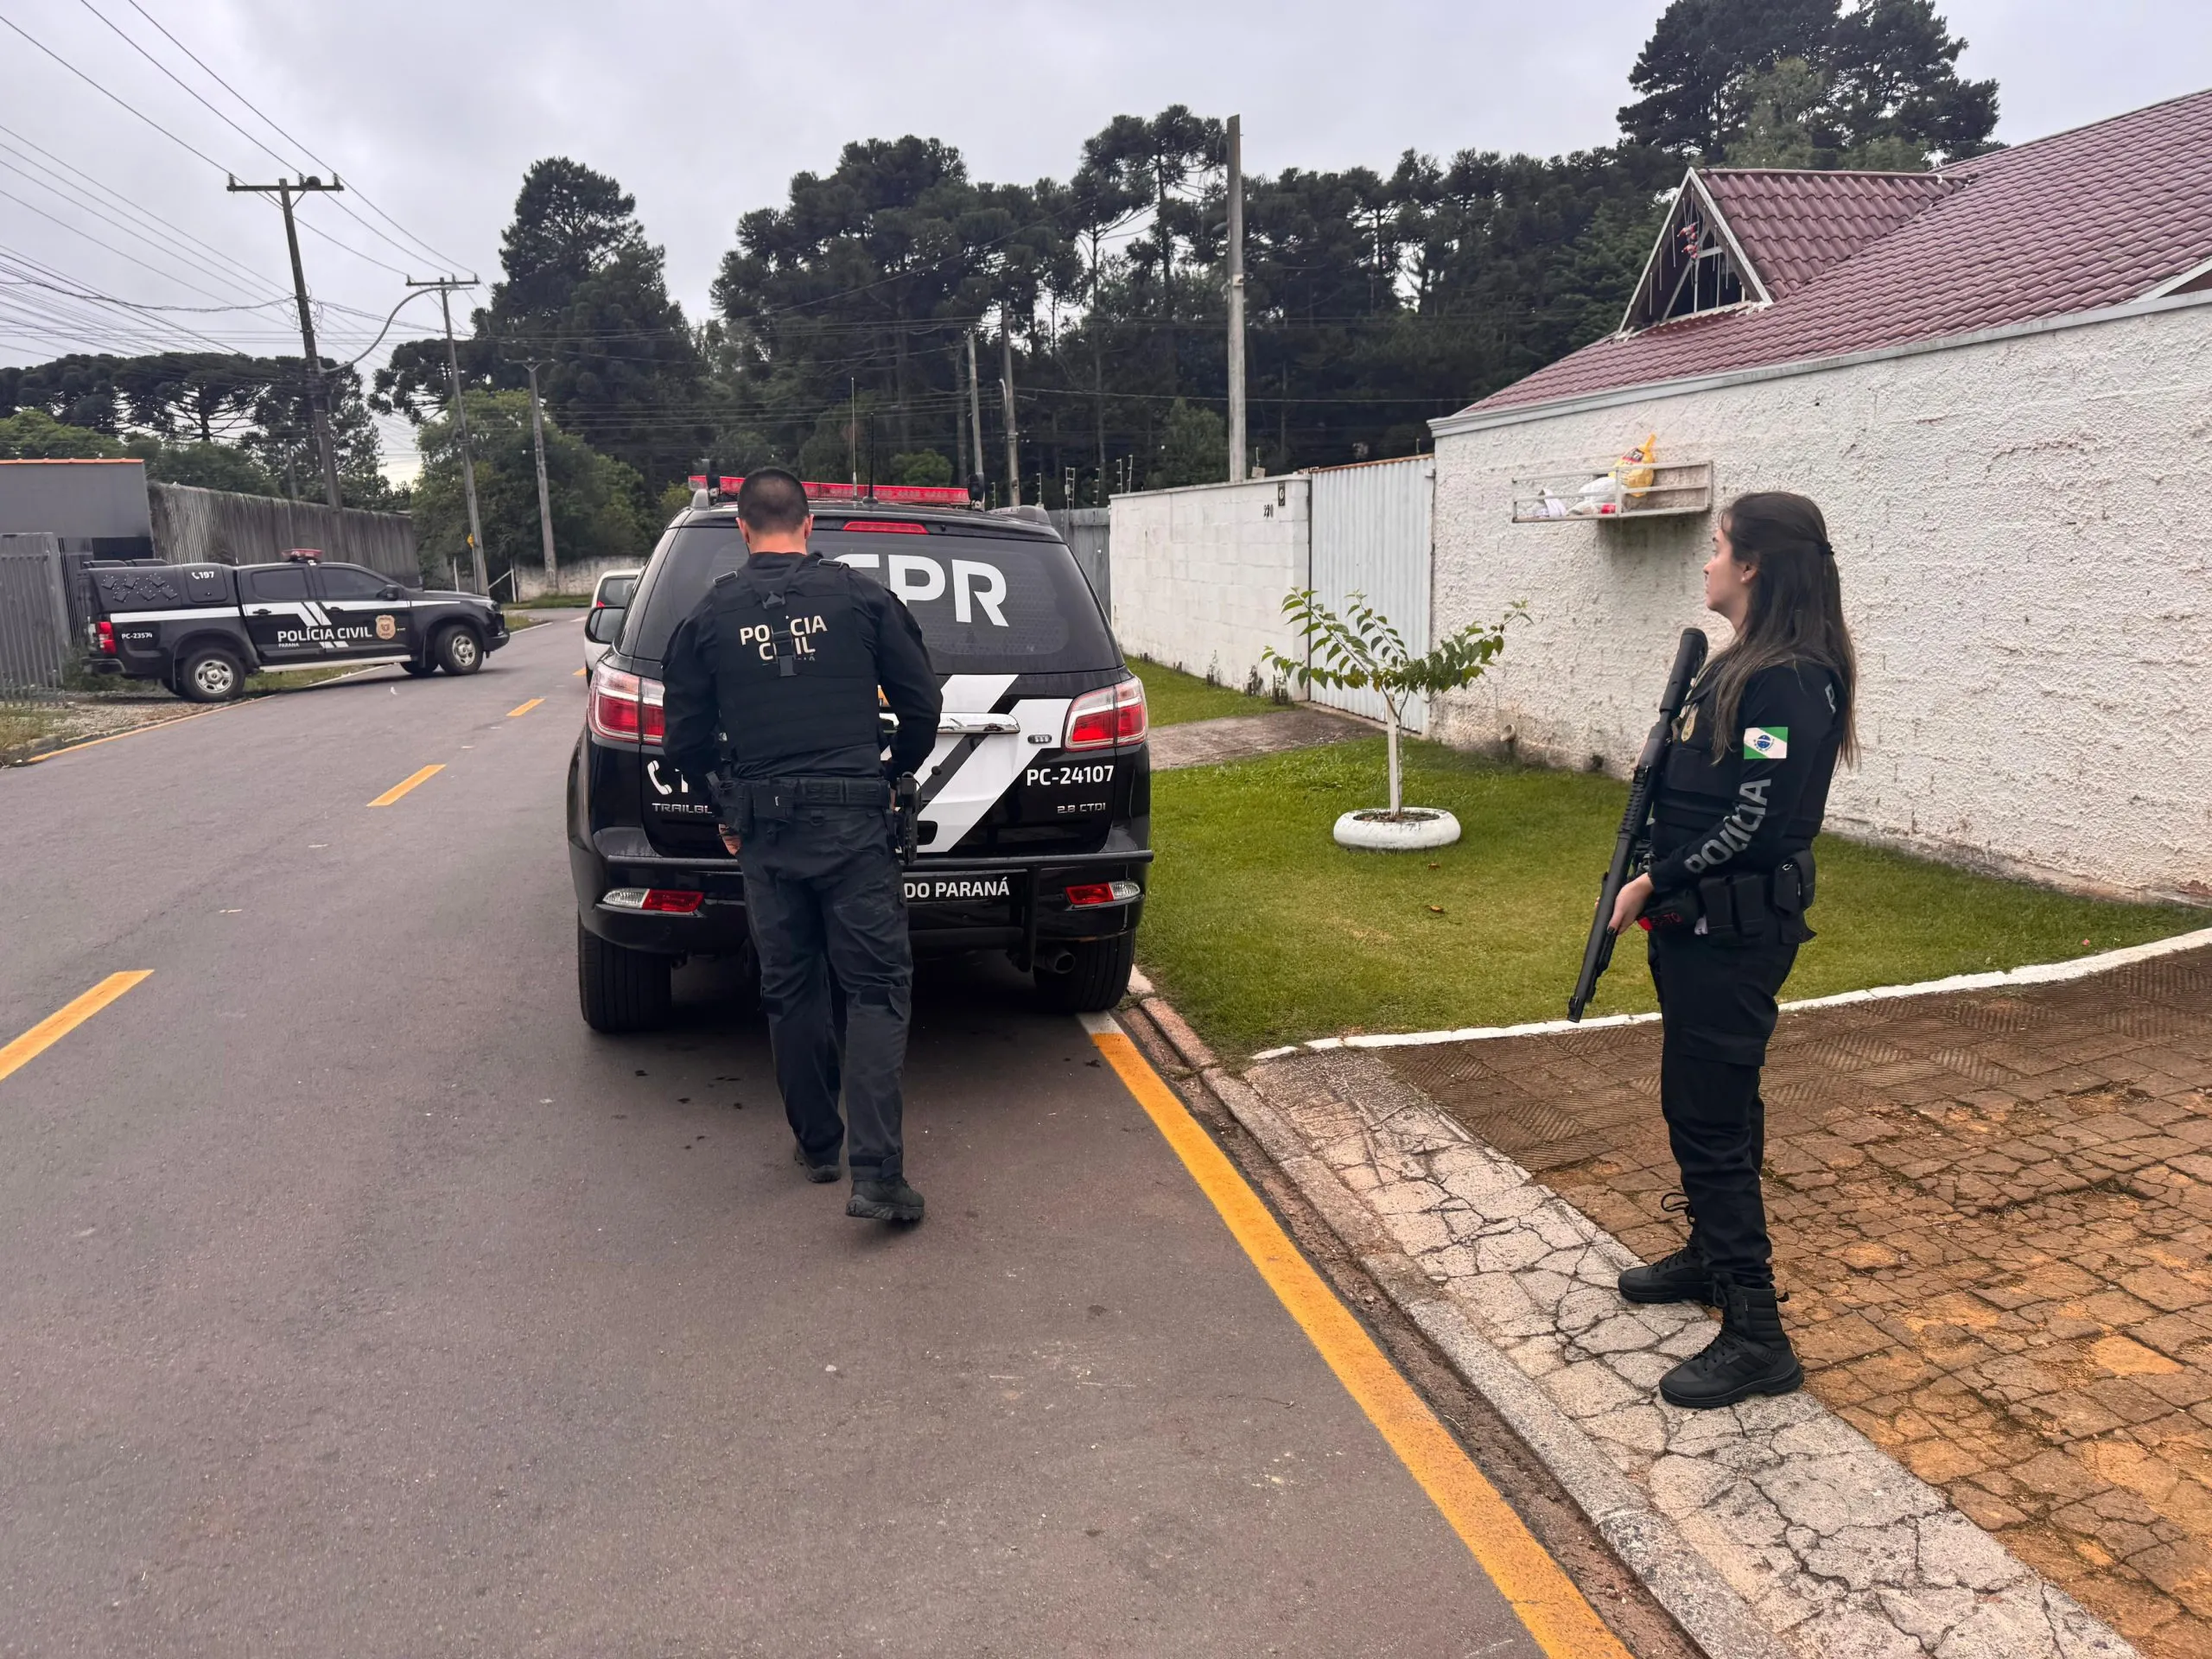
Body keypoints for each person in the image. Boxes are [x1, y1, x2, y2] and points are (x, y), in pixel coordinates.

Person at [1606, 492, 1857, 1408]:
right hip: (1701, 928)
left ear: (1751, 565)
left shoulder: (1789, 678)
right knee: (1712, 1101)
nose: (1706, 564)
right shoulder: (1740, 665)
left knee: (1707, 1117)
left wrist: (1651, 880)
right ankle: (1713, 1260)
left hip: (1734, 929)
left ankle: (1756, 1332)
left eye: (1716, 548)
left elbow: (1754, 821)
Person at [661, 468, 944, 1224]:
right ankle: (878, 1172)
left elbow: (682, 740)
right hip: (854, 823)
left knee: (792, 988)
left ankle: (819, 1145)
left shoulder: (710, 618)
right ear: (809, 524)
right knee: (878, 988)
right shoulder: (861, 599)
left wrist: (723, 805)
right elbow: (922, 705)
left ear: (743, 530)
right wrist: (895, 772)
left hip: (764, 831)